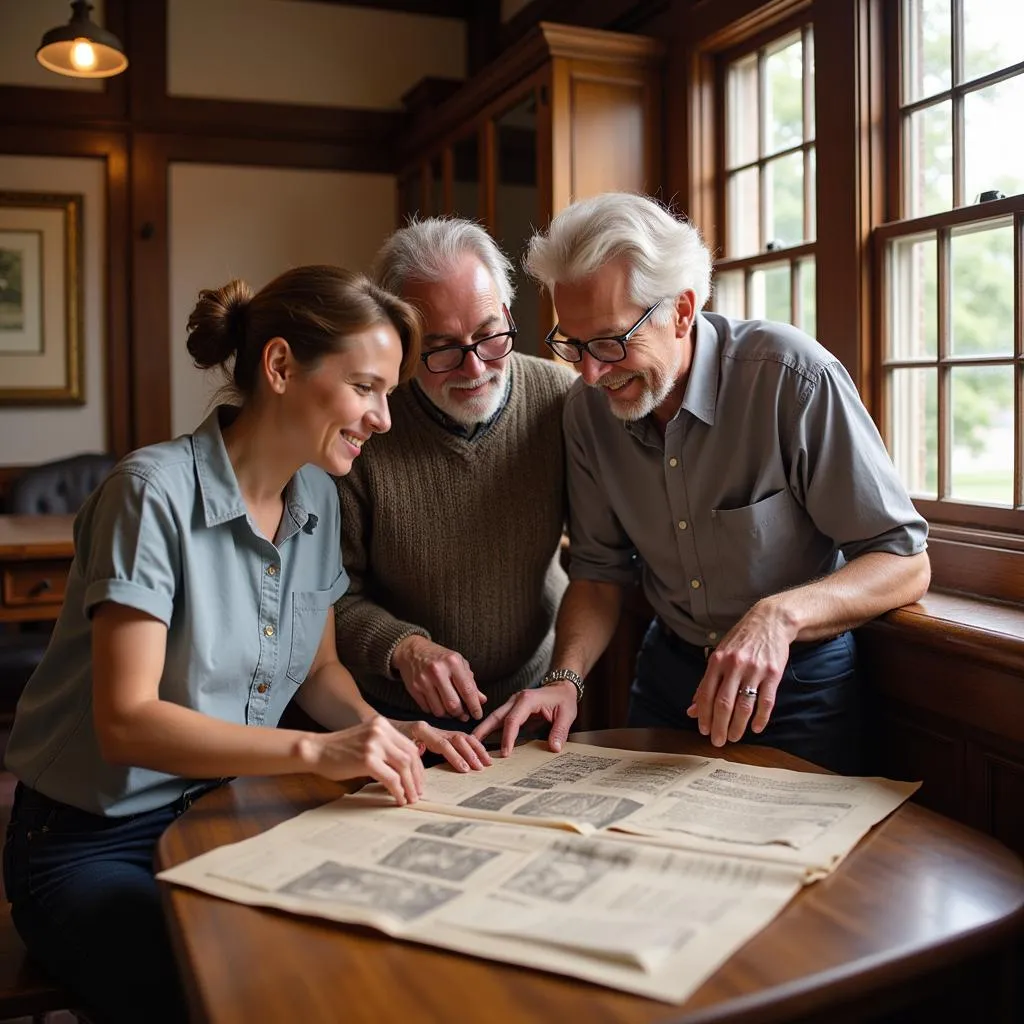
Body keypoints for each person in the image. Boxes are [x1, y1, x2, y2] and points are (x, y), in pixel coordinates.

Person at [2, 265, 490, 1024]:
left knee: (363, 953)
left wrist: (377, 731)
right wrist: (316, 754)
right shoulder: (150, 493)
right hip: (88, 842)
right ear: (282, 367)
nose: (384, 418)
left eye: (387, 393)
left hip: (222, 811)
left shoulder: (319, 496)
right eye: (366, 387)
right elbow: (124, 722)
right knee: (229, 990)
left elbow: (319, 670)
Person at [474, 193, 931, 774]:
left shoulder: (793, 381)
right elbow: (598, 569)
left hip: (798, 683)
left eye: (611, 342)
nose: (590, 372)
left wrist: (779, 616)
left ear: (683, 311)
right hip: (668, 674)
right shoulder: (587, 411)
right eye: (574, 344)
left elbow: (905, 560)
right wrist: (566, 680)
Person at [333, 217, 576, 750]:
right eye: (441, 348)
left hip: (529, 701)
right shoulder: (362, 430)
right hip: (397, 717)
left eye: (490, 335)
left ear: (509, 315)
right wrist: (404, 648)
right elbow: (330, 598)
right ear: (401, 340)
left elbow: (602, 559)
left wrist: (567, 677)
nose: (473, 367)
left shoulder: (563, 402)